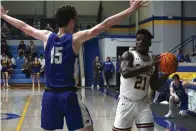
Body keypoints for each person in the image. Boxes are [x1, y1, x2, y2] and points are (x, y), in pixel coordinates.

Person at [1, 1, 145, 130]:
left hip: (49, 95)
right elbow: (104, 25)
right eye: (74, 21)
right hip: (68, 95)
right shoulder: (74, 39)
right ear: (71, 21)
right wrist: (130, 10)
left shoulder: (46, 36)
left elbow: (23, 26)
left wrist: (4, 16)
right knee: (88, 128)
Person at [113, 29, 175, 131]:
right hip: (125, 102)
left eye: (143, 40)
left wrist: (167, 74)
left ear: (149, 43)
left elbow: (154, 85)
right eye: (138, 40)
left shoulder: (153, 61)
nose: (140, 42)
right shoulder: (129, 55)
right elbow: (125, 73)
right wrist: (147, 65)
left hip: (143, 103)